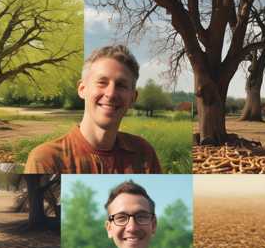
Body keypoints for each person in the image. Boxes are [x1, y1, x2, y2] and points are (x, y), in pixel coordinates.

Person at [25, 45, 162, 173]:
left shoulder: (144, 153)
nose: (111, 93)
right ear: (82, 89)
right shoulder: (46, 160)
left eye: (121, 85)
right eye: (102, 82)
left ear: (133, 97)